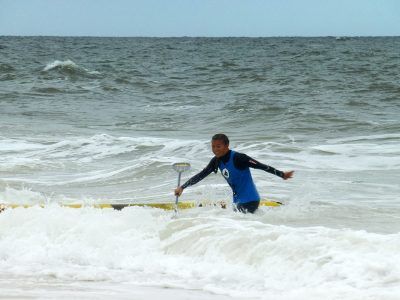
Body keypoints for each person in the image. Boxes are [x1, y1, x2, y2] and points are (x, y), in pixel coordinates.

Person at [174, 133, 294, 213]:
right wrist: (183, 187)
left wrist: (282, 175)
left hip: (250, 201)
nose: (215, 149)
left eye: (218, 146)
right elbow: (201, 175)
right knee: (229, 219)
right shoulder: (216, 161)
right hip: (238, 202)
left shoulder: (239, 158)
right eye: (213, 146)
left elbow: (261, 166)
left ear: (227, 145)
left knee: (229, 221)